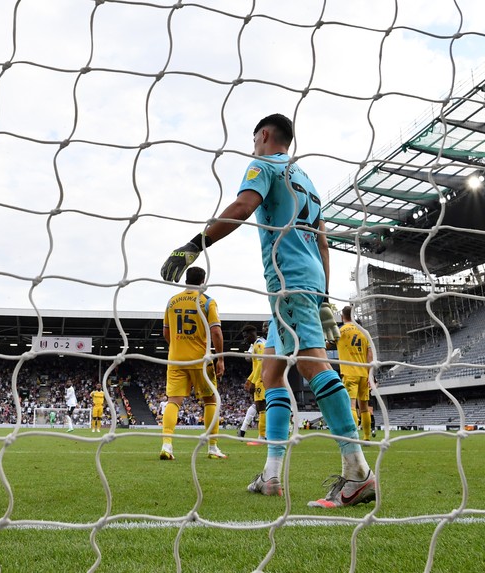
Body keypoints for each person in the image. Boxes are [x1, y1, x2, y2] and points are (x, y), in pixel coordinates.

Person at [160, 113, 375, 508]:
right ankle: (272, 475)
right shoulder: (306, 180)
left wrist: (195, 244)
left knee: (313, 365)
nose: (252, 145)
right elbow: (323, 243)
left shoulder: (263, 164)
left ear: (263, 135)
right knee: (273, 374)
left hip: (287, 279)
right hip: (308, 279)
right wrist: (324, 296)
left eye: (253, 138)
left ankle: (358, 473)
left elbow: (243, 207)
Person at [160, 266, 227, 461]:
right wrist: (220, 358)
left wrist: (178, 348)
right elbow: (216, 332)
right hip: (201, 359)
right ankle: (212, 448)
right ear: (203, 281)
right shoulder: (207, 301)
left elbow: (166, 332)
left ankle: (167, 445)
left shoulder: (172, 301)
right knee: (210, 401)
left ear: (185, 279)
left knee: (173, 401)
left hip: (175, 359)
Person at [337, 306, 374, 441]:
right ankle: (367, 437)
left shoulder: (339, 331)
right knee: (364, 406)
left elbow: (327, 344)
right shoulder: (364, 332)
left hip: (349, 372)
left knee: (351, 405)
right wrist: (371, 375)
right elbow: (370, 355)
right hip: (364, 373)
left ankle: (354, 436)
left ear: (342, 316)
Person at [237, 323, 267, 446]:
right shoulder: (255, 344)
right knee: (260, 407)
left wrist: (254, 382)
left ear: (252, 334)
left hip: (261, 379)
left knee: (261, 406)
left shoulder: (259, 345)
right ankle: (263, 436)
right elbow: (255, 367)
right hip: (259, 378)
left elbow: (260, 365)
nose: (245, 339)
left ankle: (262, 437)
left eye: (246, 336)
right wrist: (249, 380)